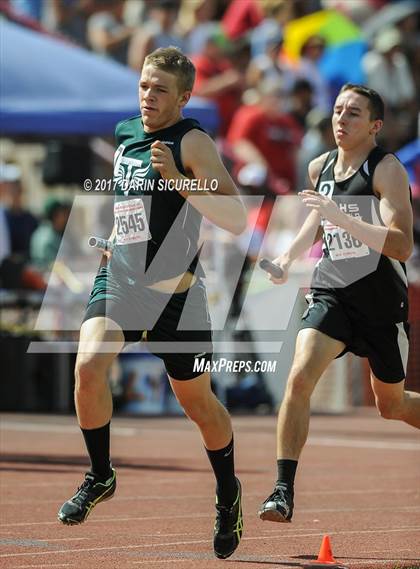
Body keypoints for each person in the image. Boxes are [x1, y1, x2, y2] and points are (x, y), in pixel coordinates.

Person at [57, 46, 247, 560]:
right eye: (143, 85)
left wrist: (181, 181)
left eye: (160, 89)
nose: (148, 96)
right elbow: (132, 206)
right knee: (89, 365)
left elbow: (235, 216)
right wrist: (114, 239)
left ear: (183, 97)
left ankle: (227, 493)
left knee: (198, 405)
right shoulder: (124, 135)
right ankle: (100, 475)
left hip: (176, 300)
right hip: (120, 281)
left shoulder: (192, 141)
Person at [258, 83, 420, 524]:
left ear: (375, 125)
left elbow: (402, 246)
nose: (341, 119)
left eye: (353, 113)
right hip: (332, 291)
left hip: (381, 303)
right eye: (337, 110)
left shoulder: (385, 171)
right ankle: (282, 490)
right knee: (298, 376)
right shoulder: (320, 166)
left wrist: (342, 216)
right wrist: (287, 258)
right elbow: (316, 213)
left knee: (392, 406)